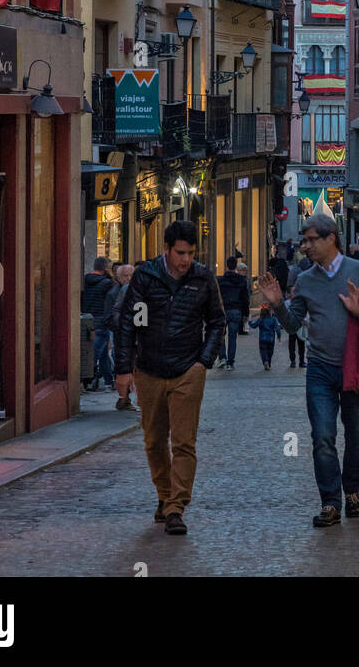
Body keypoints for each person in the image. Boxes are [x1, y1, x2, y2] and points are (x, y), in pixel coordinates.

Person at [258, 214, 359, 528]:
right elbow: (295, 323)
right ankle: (330, 502)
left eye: (312, 239)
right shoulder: (306, 280)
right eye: (304, 240)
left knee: (358, 436)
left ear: (331, 238)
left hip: (355, 367)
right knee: (322, 436)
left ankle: (351, 489)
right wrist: (277, 304)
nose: (305, 246)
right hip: (320, 368)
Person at [115, 220, 225, 535]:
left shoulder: (202, 278)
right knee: (153, 441)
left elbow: (217, 322)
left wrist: (203, 361)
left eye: (190, 253)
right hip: (148, 369)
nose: (185, 259)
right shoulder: (146, 277)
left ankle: (176, 507)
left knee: (184, 442)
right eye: (180, 252)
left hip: (187, 370)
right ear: (166, 249)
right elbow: (128, 323)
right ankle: (164, 497)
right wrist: (124, 369)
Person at [82, 256, 116, 391]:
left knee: (101, 353)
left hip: (87, 319)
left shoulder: (84, 280)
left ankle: (108, 380)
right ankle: (87, 380)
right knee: (95, 353)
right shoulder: (108, 283)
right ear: (106, 268)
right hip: (102, 320)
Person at [105, 264, 135, 407]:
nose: (129, 279)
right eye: (125, 276)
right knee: (124, 366)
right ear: (118, 277)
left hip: (133, 336)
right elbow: (111, 315)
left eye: (131, 275)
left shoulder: (136, 291)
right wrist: (122, 328)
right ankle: (123, 398)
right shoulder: (115, 292)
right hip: (121, 335)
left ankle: (125, 398)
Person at [217, 256, 250, 370]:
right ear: (236, 266)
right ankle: (230, 362)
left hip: (223, 311)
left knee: (220, 336)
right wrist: (246, 313)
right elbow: (245, 298)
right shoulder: (241, 280)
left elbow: (216, 297)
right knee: (232, 337)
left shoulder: (220, 280)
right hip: (236, 310)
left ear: (226, 266)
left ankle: (222, 358)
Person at [236, 260, 250, 334]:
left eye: (245, 270)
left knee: (245, 315)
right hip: (240, 300)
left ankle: (243, 329)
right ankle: (240, 329)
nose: (245, 272)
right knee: (241, 315)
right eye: (243, 270)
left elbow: (248, 290)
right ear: (239, 270)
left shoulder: (246, 279)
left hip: (245, 299)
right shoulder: (238, 279)